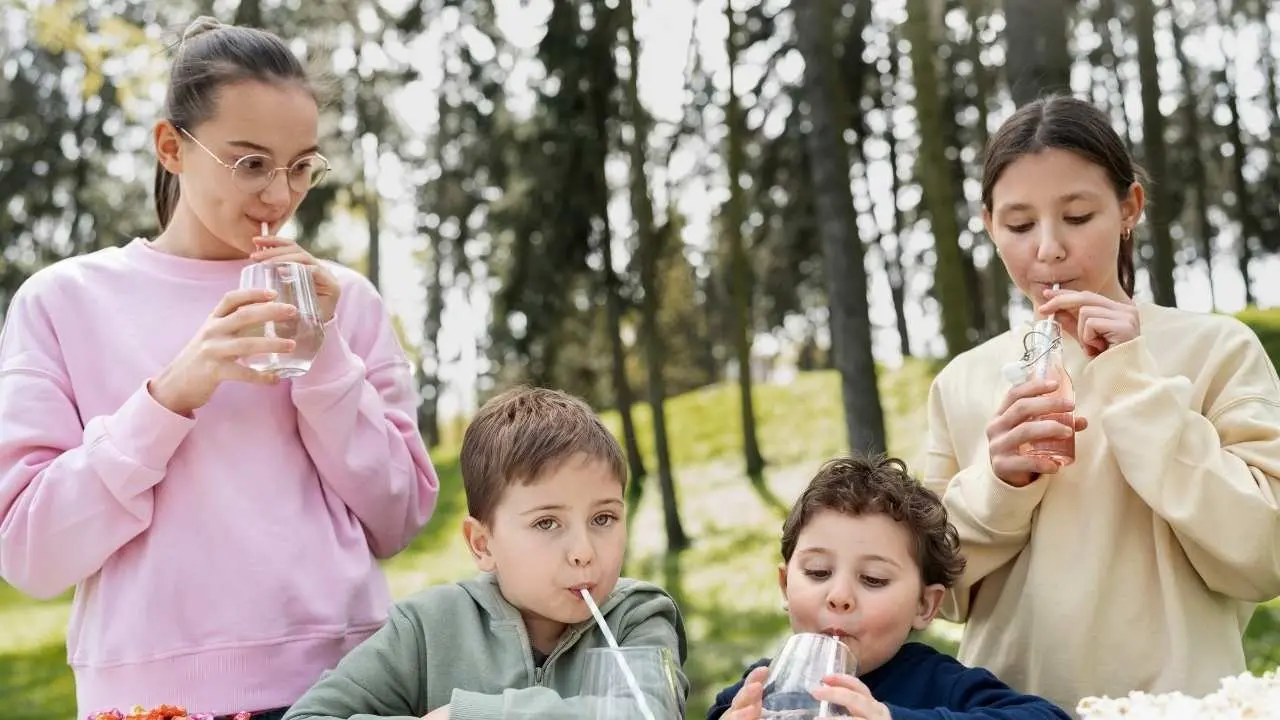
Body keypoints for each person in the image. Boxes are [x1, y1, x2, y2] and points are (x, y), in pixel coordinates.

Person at [0, 17, 439, 719]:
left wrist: (323, 356)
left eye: (301, 166)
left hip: (349, 689)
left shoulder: (344, 302)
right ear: (172, 147)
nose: (279, 194)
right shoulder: (62, 303)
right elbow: (30, 553)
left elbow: (400, 516)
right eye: (250, 163)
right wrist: (171, 394)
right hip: (150, 703)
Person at [923, 94, 1280, 714]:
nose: (1049, 249)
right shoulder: (962, 382)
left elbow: (1265, 555)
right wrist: (997, 484)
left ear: (1128, 209)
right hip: (1004, 709)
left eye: (1078, 215)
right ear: (988, 226)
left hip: (1178, 708)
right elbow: (935, 592)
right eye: (1019, 224)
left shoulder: (1217, 349)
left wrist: (1132, 383)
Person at [284, 386, 689, 720]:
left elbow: (647, 714)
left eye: (603, 518)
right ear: (482, 544)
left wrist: (468, 716)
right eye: (547, 523)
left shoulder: (637, 617)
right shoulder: (426, 628)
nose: (583, 552)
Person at [709, 455, 1069, 720]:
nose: (839, 597)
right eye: (818, 572)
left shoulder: (940, 683)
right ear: (786, 585)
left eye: (873, 579)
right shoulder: (756, 690)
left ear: (924, 605)